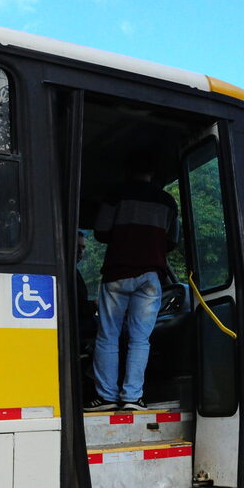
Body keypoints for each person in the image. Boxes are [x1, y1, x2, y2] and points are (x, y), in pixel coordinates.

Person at [85, 150, 180, 412]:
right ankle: (132, 397)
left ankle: (106, 396)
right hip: (150, 276)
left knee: (108, 336)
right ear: (153, 173)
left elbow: (101, 232)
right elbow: (172, 241)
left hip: (117, 273)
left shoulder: (116, 195)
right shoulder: (168, 202)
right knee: (140, 339)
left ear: (127, 170)